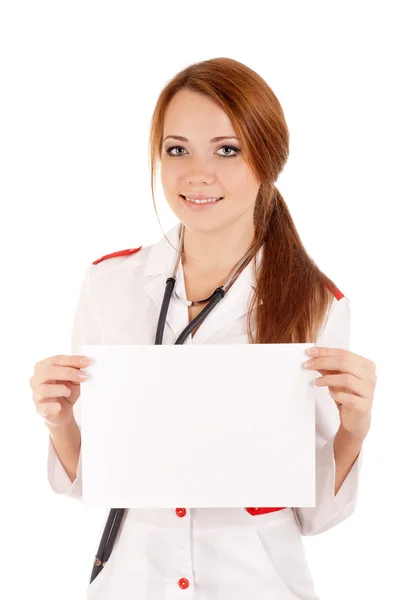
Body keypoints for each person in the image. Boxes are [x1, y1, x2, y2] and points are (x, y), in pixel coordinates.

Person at [30, 57, 376, 599]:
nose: (198, 172)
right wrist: (60, 422)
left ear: (268, 159)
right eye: (177, 149)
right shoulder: (108, 285)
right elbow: (97, 483)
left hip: (255, 584)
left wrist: (354, 431)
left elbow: (314, 518)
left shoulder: (316, 303)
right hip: (132, 582)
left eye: (227, 149)